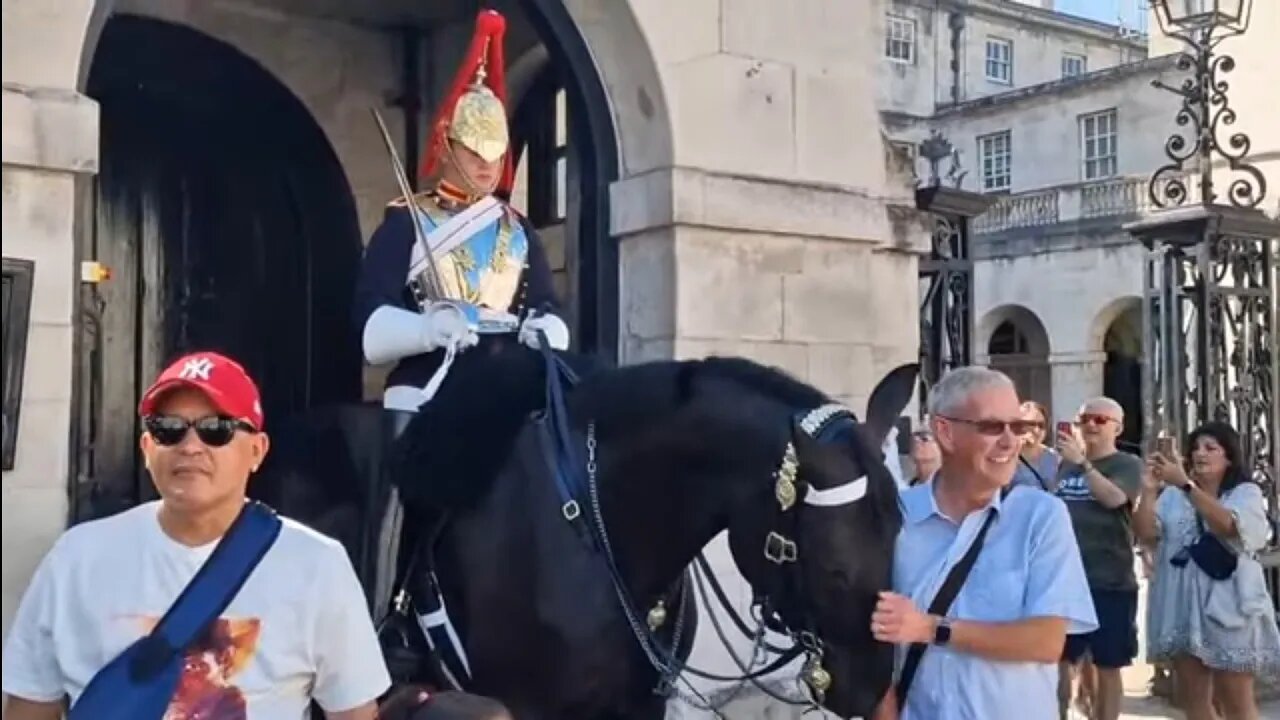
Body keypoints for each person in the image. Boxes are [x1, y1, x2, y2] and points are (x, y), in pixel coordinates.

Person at [1, 351, 390, 719]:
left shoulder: (317, 565)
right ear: (147, 447)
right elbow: (29, 706)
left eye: (215, 430)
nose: (190, 446)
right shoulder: (77, 559)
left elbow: (353, 711)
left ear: (257, 450)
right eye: (169, 429)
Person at [354, 8, 566, 416]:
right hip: (428, 380)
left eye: (495, 154)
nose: (487, 165)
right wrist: (426, 329)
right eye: (474, 152)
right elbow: (368, 316)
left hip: (505, 378)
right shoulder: (406, 222)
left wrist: (544, 327)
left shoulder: (518, 229)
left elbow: (546, 304)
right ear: (447, 147)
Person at [870, 366, 1097, 720]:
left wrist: (931, 628)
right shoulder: (897, 517)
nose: (1011, 441)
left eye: (1017, 427)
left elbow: (1046, 642)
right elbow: (869, 637)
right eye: (992, 427)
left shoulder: (1040, 516)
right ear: (944, 431)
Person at [1136, 421, 1280, 720]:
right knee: (1193, 700)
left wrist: (1187, 486)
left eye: (1210, 448)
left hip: (1230, 607)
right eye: (1196, 448)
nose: (1200, 454)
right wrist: (1149, 491)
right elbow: (1146, 534)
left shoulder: (1245, 493)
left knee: (1236, 700)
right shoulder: (1172, 496)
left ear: (1228, 456)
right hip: (1183, 606)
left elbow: (1229, 526)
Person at [1053, 397, 1144, 720]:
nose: (1091, 425)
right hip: (1066, 583)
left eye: (1100, 420)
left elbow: (1116, 498)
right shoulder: (1062, 465)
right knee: (1059, 662)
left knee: (1108, 665)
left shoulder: (1127, 464)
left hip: (1110, 580)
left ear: (1117, 428)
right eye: (1085, 419)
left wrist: (1084, 465)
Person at [1011, 400, 1059, 491]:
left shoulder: (1053, 457)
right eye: (1031, 424)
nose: (1036, 431)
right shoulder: (1007, 457)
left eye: (1041, 425)